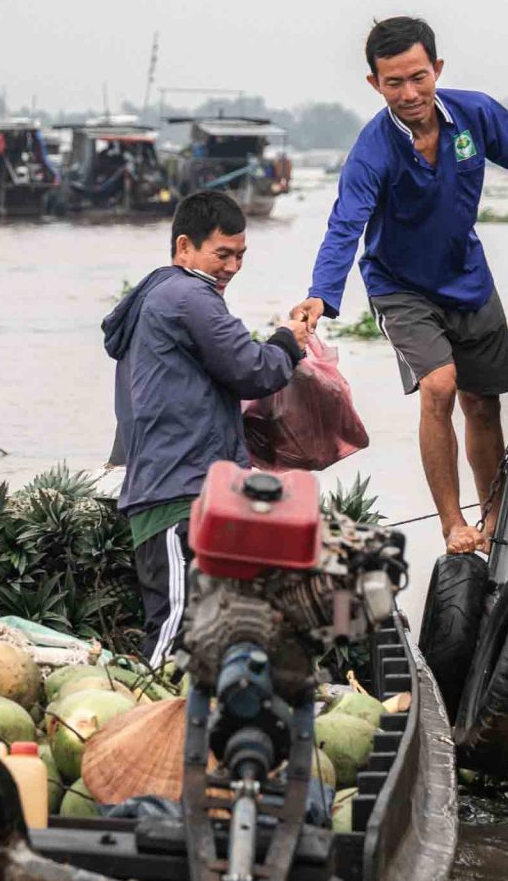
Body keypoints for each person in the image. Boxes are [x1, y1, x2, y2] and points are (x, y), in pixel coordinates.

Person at [289, 17, 508, 555]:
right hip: (399, 285)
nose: (410, 93)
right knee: (440, 385)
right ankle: (453, 525)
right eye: (394, 83)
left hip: (465, 275)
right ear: (375, 85)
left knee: (482, 401)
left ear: (437, 70)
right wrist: (320, 294)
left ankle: (492, 516)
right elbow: (345, 225)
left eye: (418, 78)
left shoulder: (475, 115)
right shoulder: (371, 151)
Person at [104, 190, 312, 664]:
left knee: (207, 637)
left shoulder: (161, 295)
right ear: (184, 248)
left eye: (240, 255)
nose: (233, 266)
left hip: (184, 489)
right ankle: (148, 725)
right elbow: (252, 369)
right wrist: (287, 341)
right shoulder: (187, 294)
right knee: (174, 633)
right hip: (178, 495)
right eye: (222, 254)